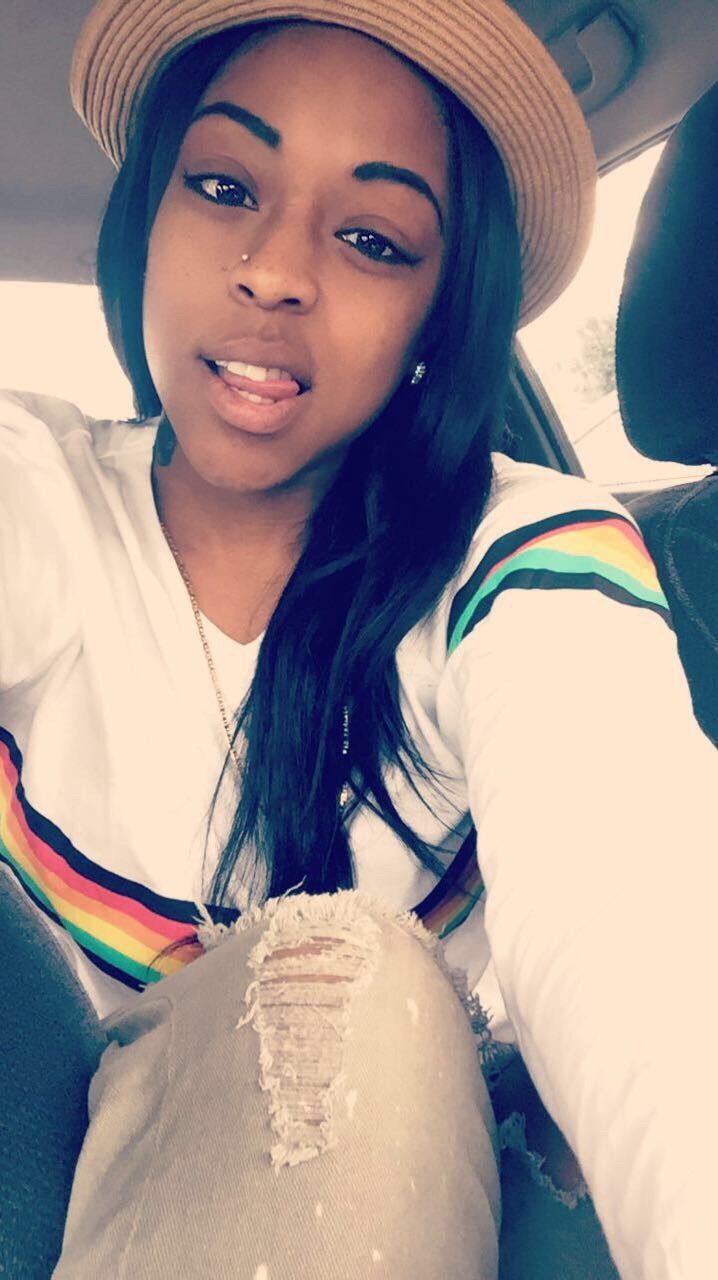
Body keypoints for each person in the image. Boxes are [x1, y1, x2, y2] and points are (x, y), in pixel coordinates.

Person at [1, 1, 716, 1276]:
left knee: (347, 974)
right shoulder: (39, 492)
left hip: (417, 1201)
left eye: (373, 238)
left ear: (437, 322)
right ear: (147, 221)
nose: (276, 270)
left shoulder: (521, 553)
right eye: (225, 185)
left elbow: (640, 930)